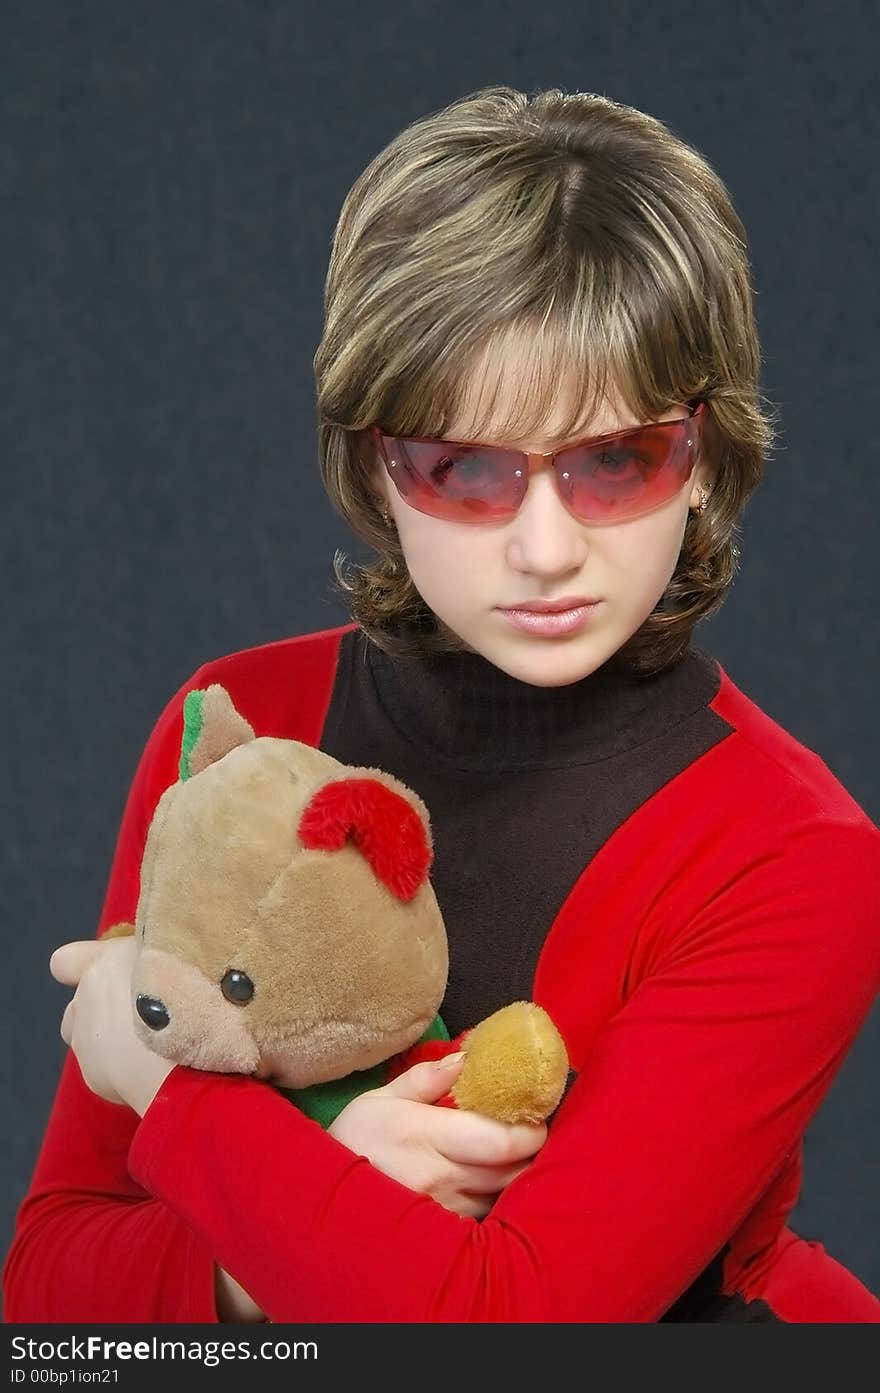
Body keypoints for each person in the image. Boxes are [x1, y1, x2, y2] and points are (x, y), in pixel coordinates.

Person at [5, 84, 879, 1325]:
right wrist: (279, 1249)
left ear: (703, 459)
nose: (545, 548)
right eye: (468, 466)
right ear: (377, 462)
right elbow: (47, 1299)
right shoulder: (238, 725)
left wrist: (159, 1078)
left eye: (613, 460)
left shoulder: (793, 855)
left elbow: (509, 1328)